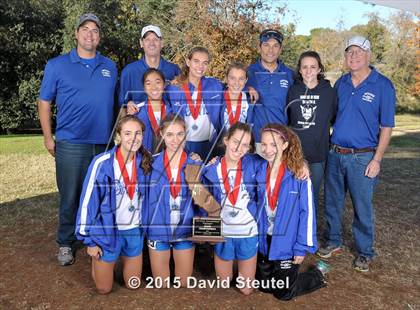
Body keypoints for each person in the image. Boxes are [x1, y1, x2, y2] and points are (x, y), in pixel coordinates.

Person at [37, 13, 118, 266]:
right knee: (70, 195)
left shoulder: (110, 66)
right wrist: (48, 137)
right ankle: (65, 242)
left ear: (99, 37)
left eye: (94, 30)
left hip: (103, 143)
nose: (90, 34)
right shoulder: (57, 65)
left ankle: (95, 238)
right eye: (85, 29)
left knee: (102, 194)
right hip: (70, 142)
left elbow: (116, 105)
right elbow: (44, 102)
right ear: (76, 34)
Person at [317, 36, 396, 272]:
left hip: (363, 157)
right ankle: (333, 241)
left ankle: (365, 251)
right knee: (332, 202)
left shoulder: (382, 85)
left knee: (362, 208)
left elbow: (387, 126)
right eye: (350, 52)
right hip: (336, 153)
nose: (353, 56)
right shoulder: (340, 83)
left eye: (359, 52)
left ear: (368, 55)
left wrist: (377, 159)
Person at [75, 115, 152, 294]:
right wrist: (89, 241)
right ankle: (98, 262)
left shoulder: (147, 162)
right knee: (104, 289)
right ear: (118, 136)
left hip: (134, 229)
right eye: (127, 133)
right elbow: (88, 203)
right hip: (107, 232)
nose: (133, 138)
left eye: (138, 133)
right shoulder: (102, 163)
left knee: (133, 284)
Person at [255, 124, 326, 300]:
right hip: (265, 240)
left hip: (287, 243)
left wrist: (301, 248)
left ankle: (318, 274)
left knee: (283, 293)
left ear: (285, 145)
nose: (268, 150)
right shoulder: (258, 168)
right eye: (263, 144)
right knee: (263, 286)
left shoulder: (298, 175)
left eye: (273, 145)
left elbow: (307, 213)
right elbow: (236, 158)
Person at [202, 122, 262, 295]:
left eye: (245, 145)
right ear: (226, 141)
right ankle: (233, 260)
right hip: (224, 234)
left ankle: (241, 260)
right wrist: (210, 233)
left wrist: (302, 163)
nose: (239, 148)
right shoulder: (210, 170)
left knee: (246, 289)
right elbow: (202, 204)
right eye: (236, 142)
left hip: (248, 232)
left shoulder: (254, 164)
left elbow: (279, 159)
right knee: (224, 284)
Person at [146, 114, 202, 287]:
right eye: (169, 134)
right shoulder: (150, 164)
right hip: (158, 231)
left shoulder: (196, 164)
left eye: (179, 134)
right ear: (162, 134)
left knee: (184, 283)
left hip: (184, 232)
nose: (175, 140)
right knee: (161, 284)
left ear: (186, 134)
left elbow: (203, 198)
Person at [287, 51, 337, 211]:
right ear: (300, 70)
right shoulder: (293, 91)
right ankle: (291, 233)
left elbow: (334, 118)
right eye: (305, 67)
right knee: (292, 197)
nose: (309, 71)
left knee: (310, 197)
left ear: (319, 69)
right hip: (295, 155)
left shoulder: (329, 93)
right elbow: (288, 120)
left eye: (313, 67)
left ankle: (308, 234)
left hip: (317, 156)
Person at [167, 47, 223, 161]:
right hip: (184, 144)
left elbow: (235, 86)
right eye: (196, 61)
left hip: (209, 144)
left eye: (205, 63)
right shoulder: (174, 88)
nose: (200, 67)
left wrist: (249, 88)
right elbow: (157, 101)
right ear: (188, 62)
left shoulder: (215, 85)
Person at [246, 29, 294, 148]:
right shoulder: (248, 72)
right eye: (266, 45)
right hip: (256, 140)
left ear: (280, 49)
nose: (270, 50)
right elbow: (231, 89)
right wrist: (247, 87)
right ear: (259, 47)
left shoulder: (290, 74)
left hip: (281, 139)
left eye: (275, 46)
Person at [118, 25, 180, 108]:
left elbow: (181, 100)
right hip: (139, 120)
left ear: (162, 43)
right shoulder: (129, 71)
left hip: (167, 120)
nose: (152, 43)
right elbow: (123, 106)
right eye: (147, 40)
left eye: (155, 39)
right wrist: (128, 105)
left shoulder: (173, 70)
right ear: (141, 43)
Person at [126, 68, 172, 153]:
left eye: (158, 82)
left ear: (164, 85)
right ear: (144, 88)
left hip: (167, 161)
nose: (153, 87)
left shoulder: (172, 110)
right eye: (148, 83)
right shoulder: (136, 111)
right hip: (143, 161)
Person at [220, 63, 254, 132]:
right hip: (222, 141)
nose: (237, 83)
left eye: (241, 79)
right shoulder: (218, 98)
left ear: (246, 80)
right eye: (232, 78)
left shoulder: (249, 100)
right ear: (226, 79)